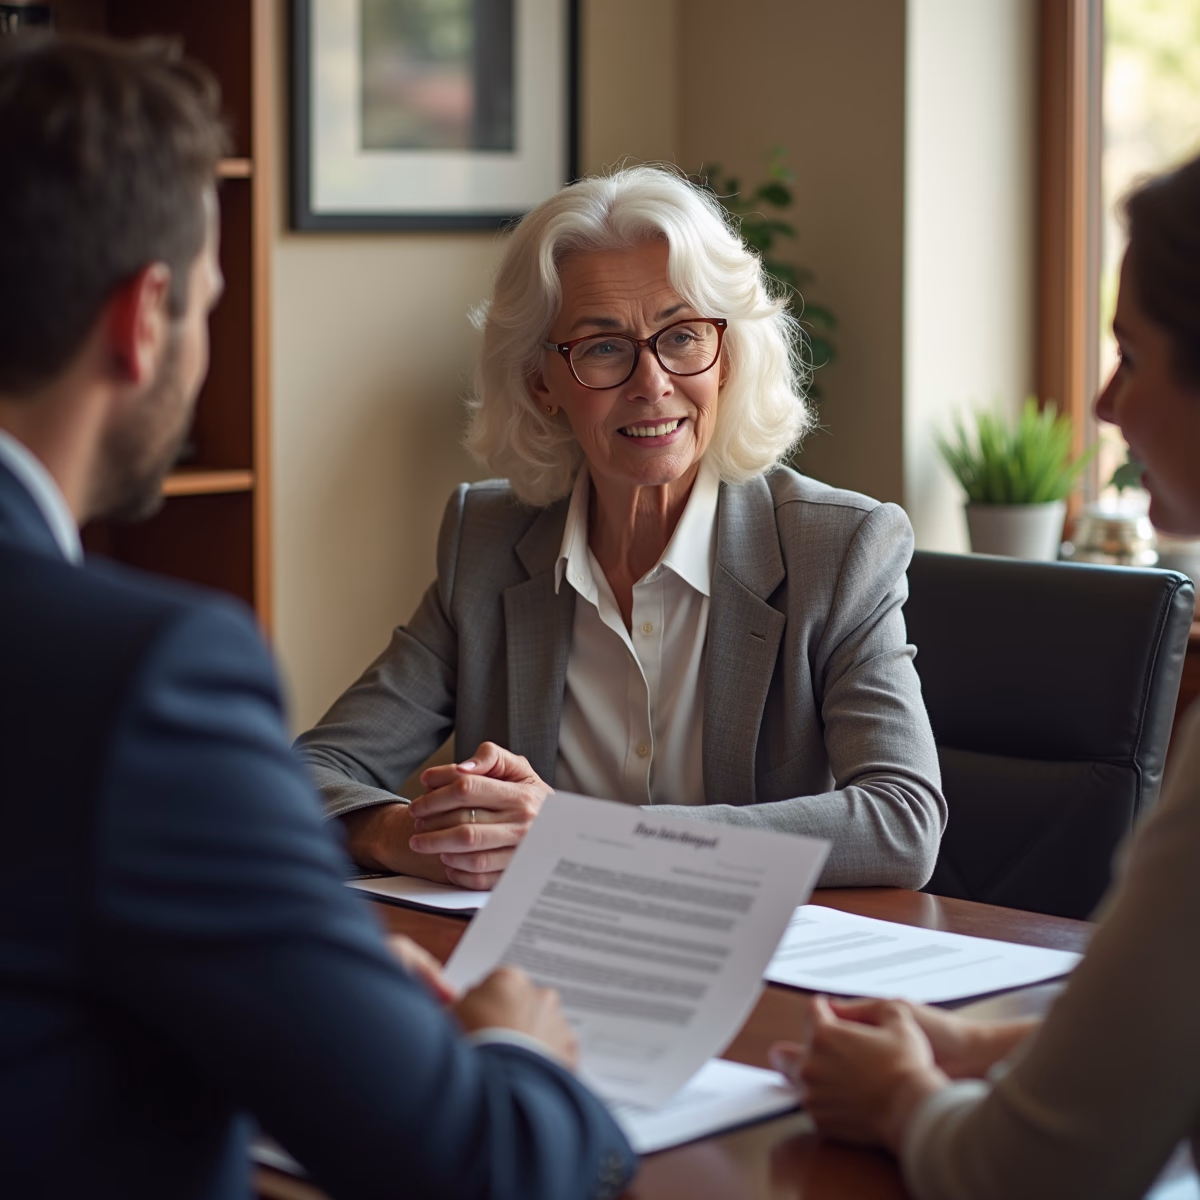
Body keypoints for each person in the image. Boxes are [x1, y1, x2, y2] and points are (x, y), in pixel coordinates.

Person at [0, 33, 634, 1200]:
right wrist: (516, 1049)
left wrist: (294, 963)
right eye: (207, 306)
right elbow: (472, 1168)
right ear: (145, 320)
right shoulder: (141, 676)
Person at [296, 166, 946, 892]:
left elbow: (902, 821)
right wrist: (406, 834)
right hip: (540, 962)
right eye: (603, 347)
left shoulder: (838, 549)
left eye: (683, 335)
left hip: (756, 976)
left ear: (725, 357)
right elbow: (308, 775)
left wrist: (587, 837)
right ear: (542, 382)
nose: (652, 381)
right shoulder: (484, 543)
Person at [767, 155, 1200, 1200]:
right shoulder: (485, 535)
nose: (1102, 404)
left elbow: (1032, 1172)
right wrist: (988, 1056)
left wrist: (902, 1096)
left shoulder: (839, 543)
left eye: (1131, 357)